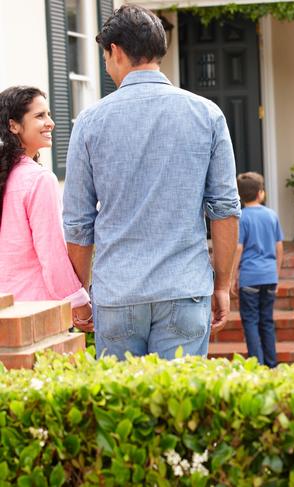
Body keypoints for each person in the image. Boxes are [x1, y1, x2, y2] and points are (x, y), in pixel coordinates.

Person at [63, 5, 240, 360]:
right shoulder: (207, 114)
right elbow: (225, 211)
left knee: (121, 409)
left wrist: (80, 295)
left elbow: (79, 224)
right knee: (179, 411)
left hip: (118, 292)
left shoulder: (90, 122)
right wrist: (222, 284)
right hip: (184, 287)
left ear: (115, 51)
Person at [0, 86, 92, 330]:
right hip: (36, 313)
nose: (50, 123)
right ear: (13, 126)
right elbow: (52, 255)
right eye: (39, 116)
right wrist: (79, 303)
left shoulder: (10, 177)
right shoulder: (39, 179)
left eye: (49, 114)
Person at [231, 173, 284, 368]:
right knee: (267, 322)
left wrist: (231, 277)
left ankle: (256, 364)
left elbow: (238, 248)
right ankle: (271, 364)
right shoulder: (272, 215)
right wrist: (276, 274)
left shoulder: (241, 218)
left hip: (250, 277)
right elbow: (279, 247)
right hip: (269, 275)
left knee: (251, 322)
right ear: (260, 193)